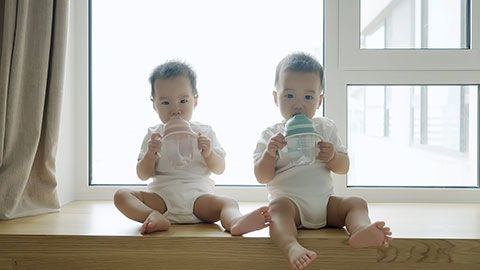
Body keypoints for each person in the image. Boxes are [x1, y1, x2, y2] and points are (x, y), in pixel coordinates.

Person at [253, 52, 392, 269]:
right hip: (292, 207)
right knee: (277, 211)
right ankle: (291, 245)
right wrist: (270, 154)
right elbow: (262, 176)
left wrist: (333, 157)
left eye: (308, 97)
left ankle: (361, 230)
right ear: (275, 97)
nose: (298, 105)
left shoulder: (325, 128)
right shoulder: (272, 135)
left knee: (356, 203)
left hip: (325, 204)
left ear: (319, 101)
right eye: (289, 96)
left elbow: (343, 167)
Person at [114, 60, 271, 235]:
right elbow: (143, 175)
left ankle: (234, 221)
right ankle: (152, 216)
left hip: (198, 200)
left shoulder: (203, 132)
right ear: (154, 106)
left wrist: (209, 153)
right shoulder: (154, 134)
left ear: (195, 101)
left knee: (228, 203)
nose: (175, 110)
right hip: (162, 200)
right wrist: (151, 154)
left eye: (183, 100)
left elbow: (219, 168)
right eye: (165, 103)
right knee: (122, 195)